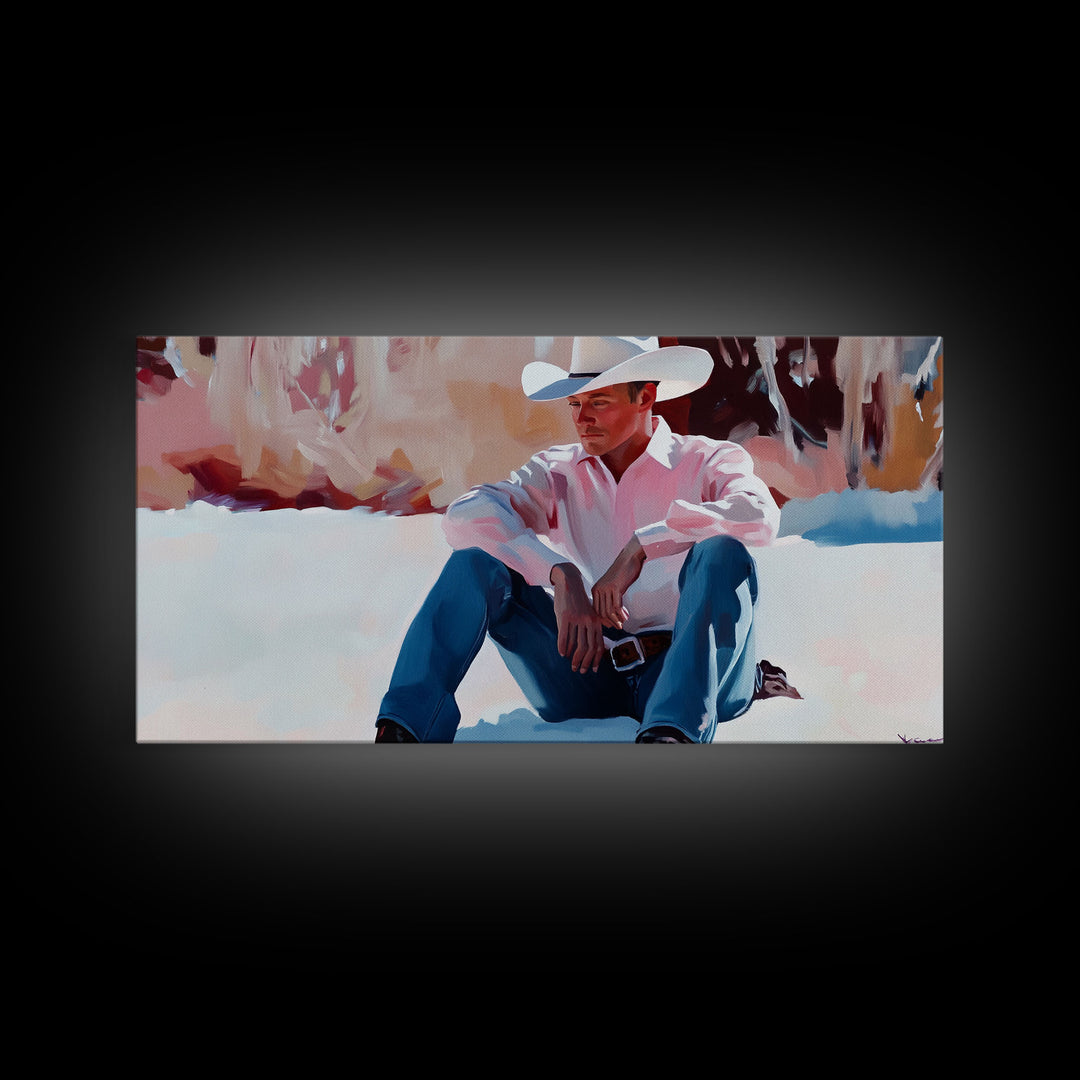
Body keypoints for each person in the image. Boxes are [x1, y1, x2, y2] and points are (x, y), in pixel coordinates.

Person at [374, 336, 783, 743]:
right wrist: (558, 572)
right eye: (575, 404)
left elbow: (760, 516)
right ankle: (405, 731)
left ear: (645, 397)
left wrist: (645, 544)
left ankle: (673, 735)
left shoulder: (707, 460)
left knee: (721, 552)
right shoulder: (557, 471)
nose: (582, 418)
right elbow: (465, 517)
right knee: (475, 562)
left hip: (693, 674)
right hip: (588, 672)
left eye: (598, 402)